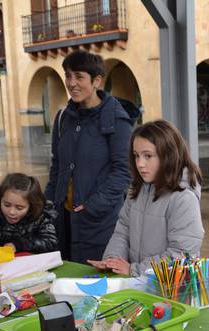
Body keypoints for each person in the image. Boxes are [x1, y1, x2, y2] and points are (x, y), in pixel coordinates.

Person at [44, 50, 140, 264]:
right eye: (68, 76)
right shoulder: (63, 117)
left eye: (79, 76)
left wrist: (92, 206)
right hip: (63, 221)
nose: (72, 83)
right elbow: (57, 165)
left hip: (99, 223)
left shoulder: (116, 119)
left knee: (96, 285)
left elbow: (125, 171)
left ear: (97, 81)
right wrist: (49, 205)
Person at [88, 120, 204, 276]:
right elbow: (123, 231)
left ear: (168, 155)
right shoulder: (137, 189)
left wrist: (134, 270)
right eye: (136, 156)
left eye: (148, 156)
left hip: (170, 292)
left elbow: (182, 255)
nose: (140, 164)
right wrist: (113, 260)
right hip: (139, 283)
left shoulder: (183, 198)